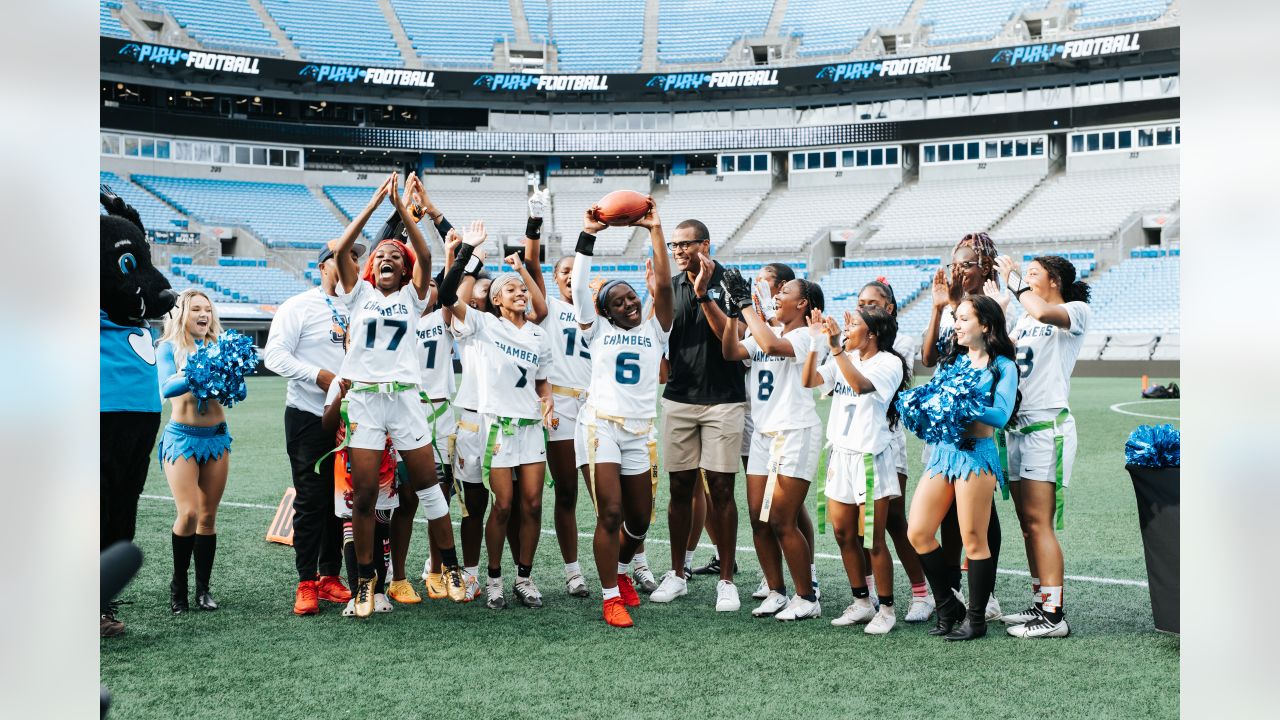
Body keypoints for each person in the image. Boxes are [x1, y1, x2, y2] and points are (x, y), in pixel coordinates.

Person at [327, 172, 464, 618]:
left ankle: (451, 568)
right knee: (365, 497)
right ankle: (367, 581)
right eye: (381, 254)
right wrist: (375, 202)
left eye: (394, 255)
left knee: (429, 488)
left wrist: (406, 210)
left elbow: (424, 251)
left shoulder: (411, 296)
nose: (387, 256)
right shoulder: (358, 293)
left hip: (405, 399)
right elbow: (340, 248)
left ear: (405, 269)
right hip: (365, 400)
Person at [570, 199, 674, 627]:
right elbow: (580, 288)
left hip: (640, 430)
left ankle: (623, 570)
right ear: (604, 312)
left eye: (631, 297)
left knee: (640, 519)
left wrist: (655, 230)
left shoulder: (655, 329)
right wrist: (589, 235)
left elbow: (665, 288)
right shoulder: (597, 332)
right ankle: (610, 594)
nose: (629, 304)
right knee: (610, 512)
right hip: (601, 426)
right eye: (619, 301)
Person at [443, 221, 556, 610]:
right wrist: (469, 256)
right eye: (510, 289)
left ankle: (524, 576)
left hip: (530, 427)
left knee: (533, 505)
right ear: (495, 300)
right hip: (496, 426)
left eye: (522, 288)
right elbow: (447, 294)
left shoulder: (539, 336)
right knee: (502, 505)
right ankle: (493, 578)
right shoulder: (483, 325)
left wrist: (548, 400)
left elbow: (542, 382)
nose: (520, 292)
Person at [707, 269, 825, 620]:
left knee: (782, 518)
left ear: (802, 303)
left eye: (785, 291)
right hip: (763, 433)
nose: (778, 295)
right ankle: (776, 591)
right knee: (760, 517)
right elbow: (730, 352)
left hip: (794, 432)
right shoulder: (766, 329)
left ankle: (807, 596)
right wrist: (732, 313)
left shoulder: (807, 335)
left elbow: (773, 347)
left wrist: (745, 306)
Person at [905, 294, 1020, 641]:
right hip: (944, 453)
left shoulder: (1003, 366)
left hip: (976, 455)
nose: (956, 324)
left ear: (985, 325)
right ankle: (947, 605)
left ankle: (976, 620)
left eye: (964, 318)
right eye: (955, 318)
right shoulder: (952, 363)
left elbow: (1000, 416)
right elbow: (937, 406)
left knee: (973, 539)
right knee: (919, 532)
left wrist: (963, 406)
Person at [650, 220, 747, 612]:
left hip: (723, 398)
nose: (678, 250)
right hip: (679, 398)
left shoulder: (730, 280)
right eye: (673, 245)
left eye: (685, 244)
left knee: (722, 490)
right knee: (679, 489)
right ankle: (677, 573)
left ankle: (726, 579)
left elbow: (733, 340)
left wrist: (704, 294)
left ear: (705, 244)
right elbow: (659, 335)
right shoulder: (670, 286)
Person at [263, 241, 365, 616]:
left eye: (356, 257)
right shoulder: (298, 306)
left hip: (353, 417)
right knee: (310, 499)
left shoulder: (362, 304)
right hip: (307, 413)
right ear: (324, 266)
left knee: (341, 501)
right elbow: (273, 356)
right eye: (345, 257)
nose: (353, 262)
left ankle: (328, 576)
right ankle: (305, 581)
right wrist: (318, 375)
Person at [994, 254, 1092, 638]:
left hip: (1045, 429)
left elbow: (1043, 312)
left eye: (1033, 272)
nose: (1024, 277)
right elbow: (1003, 351)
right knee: (1026, 525)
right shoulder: (1023, 315)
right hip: (1018, 428)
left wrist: (1014, 283)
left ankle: (1054, 616)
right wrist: (999, 311)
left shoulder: (1075, 310)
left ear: (1054, 279)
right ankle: (1041, 602)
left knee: (1039, 523)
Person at [919, 232, 1013, 621]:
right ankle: (953, 597)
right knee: (933, 522)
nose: (959, 270)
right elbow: (930, 359)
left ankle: (979, 599)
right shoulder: (955, 320)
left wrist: (963, 406)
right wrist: (943, 308)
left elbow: (996, 374)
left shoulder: (990, 313)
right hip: (944, 438)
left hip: (974, 440)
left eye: (968, 263)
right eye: (956, 264)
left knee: (978, 520)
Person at [802, 308, 909, 633]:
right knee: (843, 533)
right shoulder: (843, 356)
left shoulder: (888, 363)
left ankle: (887, 609)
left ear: (873, 333)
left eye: (854, 325)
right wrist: (815, 342)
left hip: (869, 460)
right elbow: (808, 381)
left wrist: (835, 347)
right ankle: (862, 601)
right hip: (841, 457)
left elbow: (862, 386)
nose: (847, 329)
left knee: (872, 538)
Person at [521, 189, 595, 598]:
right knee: (566, 492)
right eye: (563, 271)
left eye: (575, 271)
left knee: (607, 495)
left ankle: (629, 564)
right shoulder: (547, 305)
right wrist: (535, 222)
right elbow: (531, 263)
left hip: (597, 406)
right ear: (555, 276)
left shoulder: (598, 307)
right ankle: (572, 571)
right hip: (561, 406)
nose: (569, 276)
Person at [855, 279, 934, 622]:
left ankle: (922, 592)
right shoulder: (854, 338)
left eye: (871, 301)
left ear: (888, 308)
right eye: (860, 301)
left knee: (893, 520)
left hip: (887, 441)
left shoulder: (897, 342)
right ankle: (867, 594)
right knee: (859, 524)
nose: (863, 306)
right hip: (854, 442)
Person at [155, 290, 235, 614]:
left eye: (208, 310)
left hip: (216, 437)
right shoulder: (168, 348)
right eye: (196, 309)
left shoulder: (220, 346)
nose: (204, 315)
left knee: (207, 516)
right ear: (182, 314)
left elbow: (232, 390)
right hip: (182, 438)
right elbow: (165, 388)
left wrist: (229, 377)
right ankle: (179, 587)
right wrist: (196, 371)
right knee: (187, 513)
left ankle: (203, 589)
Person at [322, 376, 400, 615]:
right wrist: (340, 397)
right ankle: (357, 591)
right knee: (350, 523)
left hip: (384, 460)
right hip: (347, 461)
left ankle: (378, 591)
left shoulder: (390, 377)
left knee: (381, 521)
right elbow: (326, 425)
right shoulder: (341, 380)